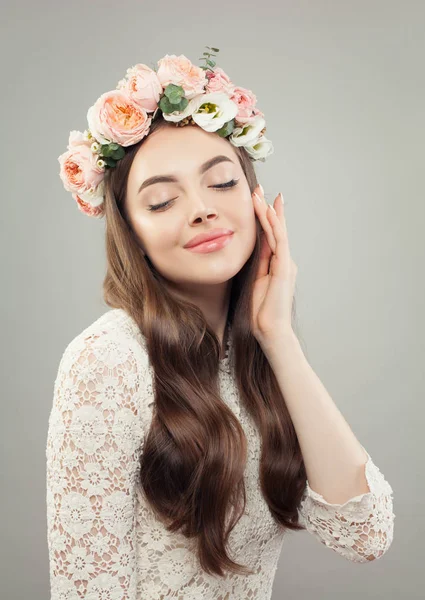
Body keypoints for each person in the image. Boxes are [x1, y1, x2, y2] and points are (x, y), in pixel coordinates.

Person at [46, 49, 395, 599]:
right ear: (132, 234)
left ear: (257, 200)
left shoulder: (258, 353)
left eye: (222, 183)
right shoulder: (109, 360)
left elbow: (365, 534)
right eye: (162, 201)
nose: (202, 209)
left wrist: (278, 338)